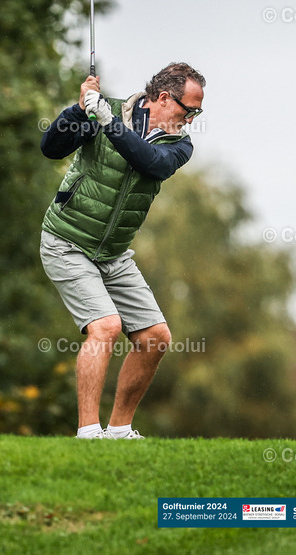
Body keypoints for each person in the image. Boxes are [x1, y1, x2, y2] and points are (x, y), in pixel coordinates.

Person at [38, 62, 205, 439]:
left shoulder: (178, 145)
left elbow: (149, 163)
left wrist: (106, 120)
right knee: (106, 327)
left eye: (197, 112)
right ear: (163, 97)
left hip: (113, 255)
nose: (191, 119)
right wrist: (79, 110)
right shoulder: (102, 110)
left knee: (155, 338)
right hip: (67, 242)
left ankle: (118, 430)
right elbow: (51, 148)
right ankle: (88, 432)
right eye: (188, 109)